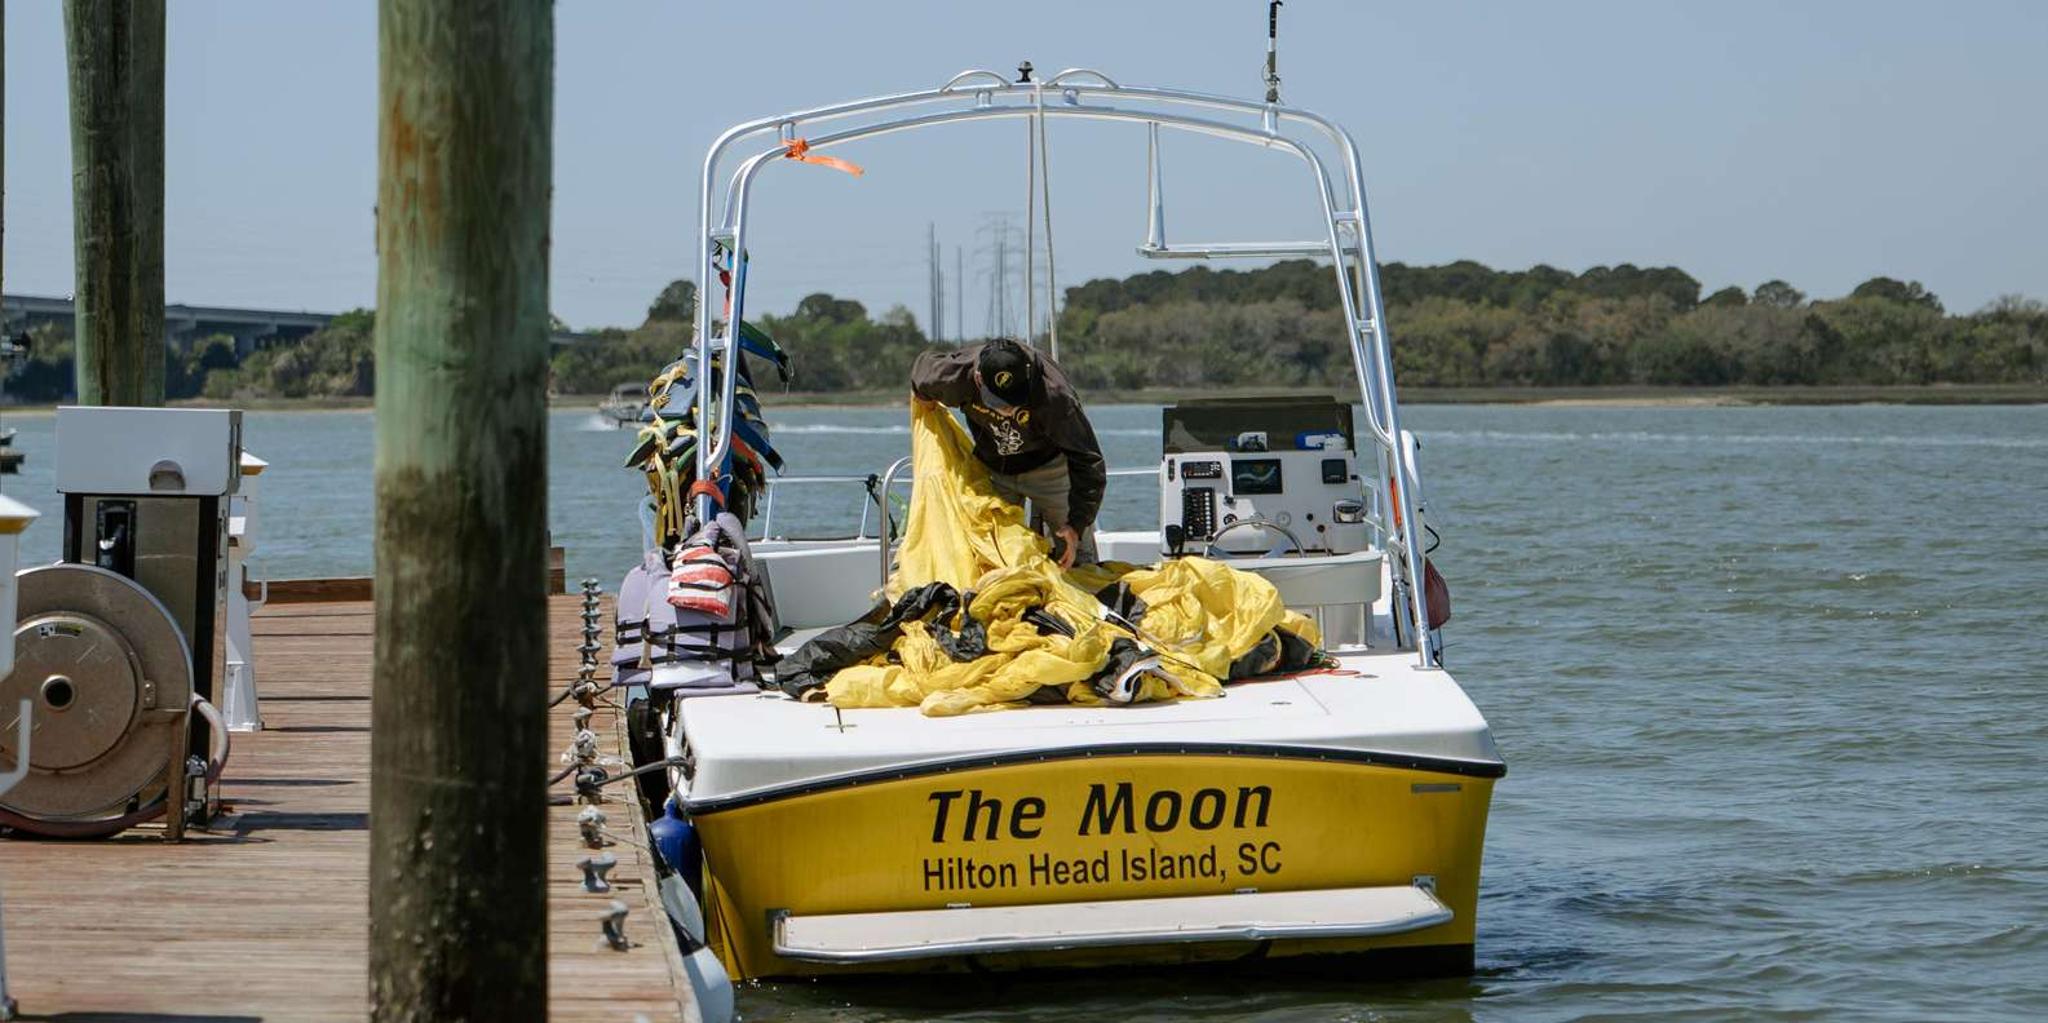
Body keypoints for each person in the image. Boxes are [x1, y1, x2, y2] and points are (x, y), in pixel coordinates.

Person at [910, 337, 1105, 569]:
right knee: (991, 554)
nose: (1009, 411)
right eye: (999, 403)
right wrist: (925, 401)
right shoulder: (956, 376)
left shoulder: (1055, 395)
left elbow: (1088, 459)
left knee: (1077, 554)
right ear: (979, 379)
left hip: (1049, 469)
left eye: (1016, 401)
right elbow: (921, 376)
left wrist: (1076, 524)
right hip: (995, 470)